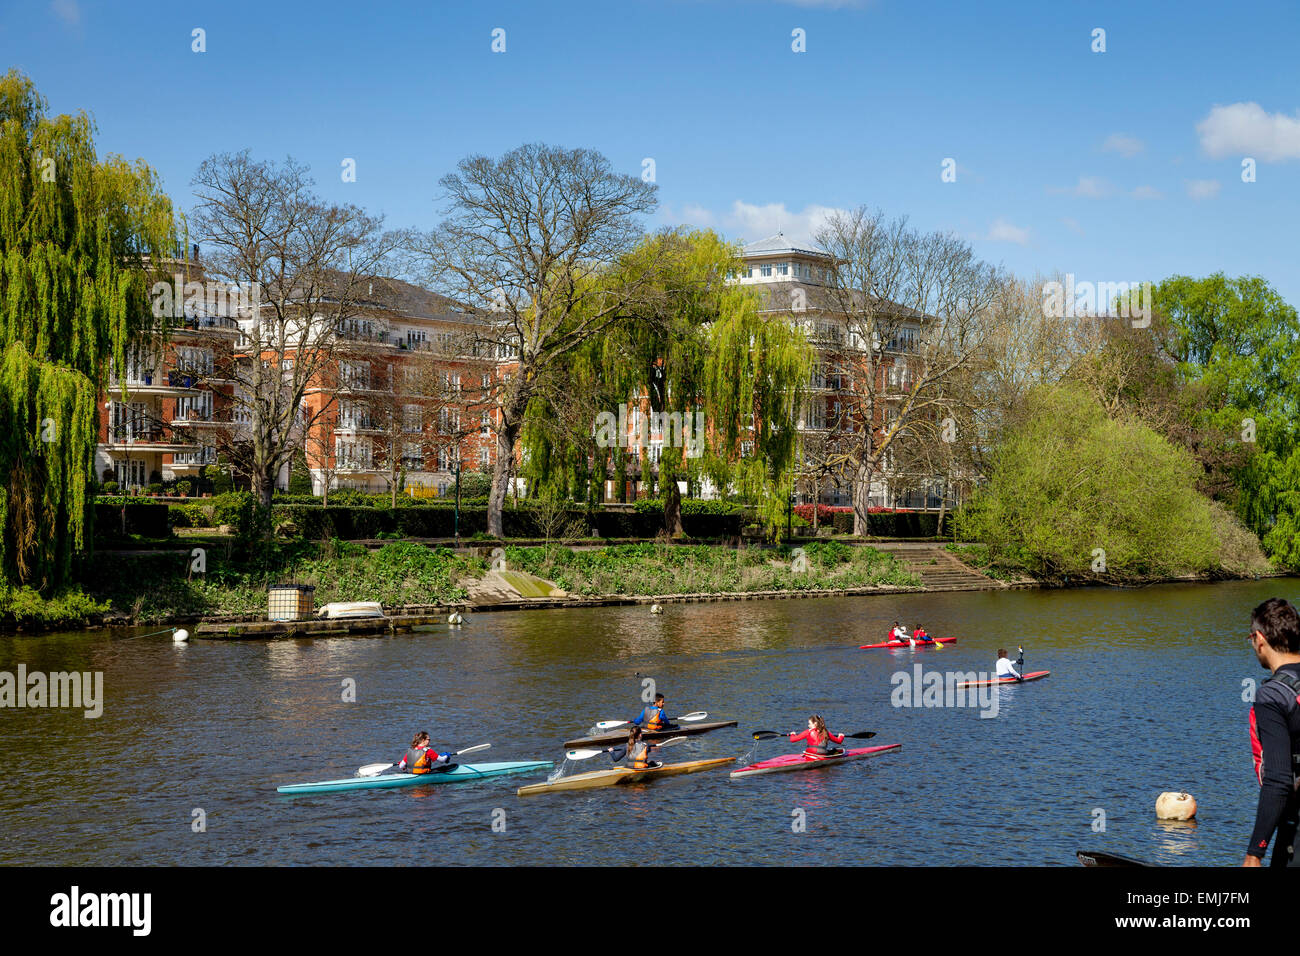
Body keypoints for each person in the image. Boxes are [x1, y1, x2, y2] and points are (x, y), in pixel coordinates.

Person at [1243, 597, 1300, 868]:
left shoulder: (1273, 695)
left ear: (1260, 638)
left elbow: (1278, 779)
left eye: (1251, 640)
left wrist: (1255, 852)